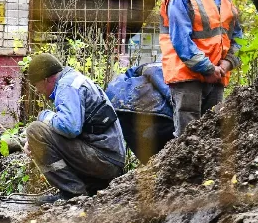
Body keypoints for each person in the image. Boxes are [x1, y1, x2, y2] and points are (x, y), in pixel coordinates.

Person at [160, 0, 243, 138]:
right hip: (188, 79)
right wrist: (207, 68)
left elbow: (238, 37)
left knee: (213, 138)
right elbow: (181, 41)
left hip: (216, 77)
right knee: (188, 140)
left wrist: (227, 64)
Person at [23, 53, 127, 203]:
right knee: (36, 133)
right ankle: (89, 187)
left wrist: (43, 117)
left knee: (34, 130)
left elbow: (69, 127)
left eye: (36, 86)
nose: (37, 92)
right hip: (108, 159)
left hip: (105, 161)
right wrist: (34, 140)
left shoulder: (67, 86)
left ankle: (73, 193)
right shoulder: (73, 81)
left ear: (46, 79)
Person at [105, 62, 174, 164]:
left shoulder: (156, 65)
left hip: (117, 102)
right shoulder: (168, 67)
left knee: (151, 160)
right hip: (152, 108)